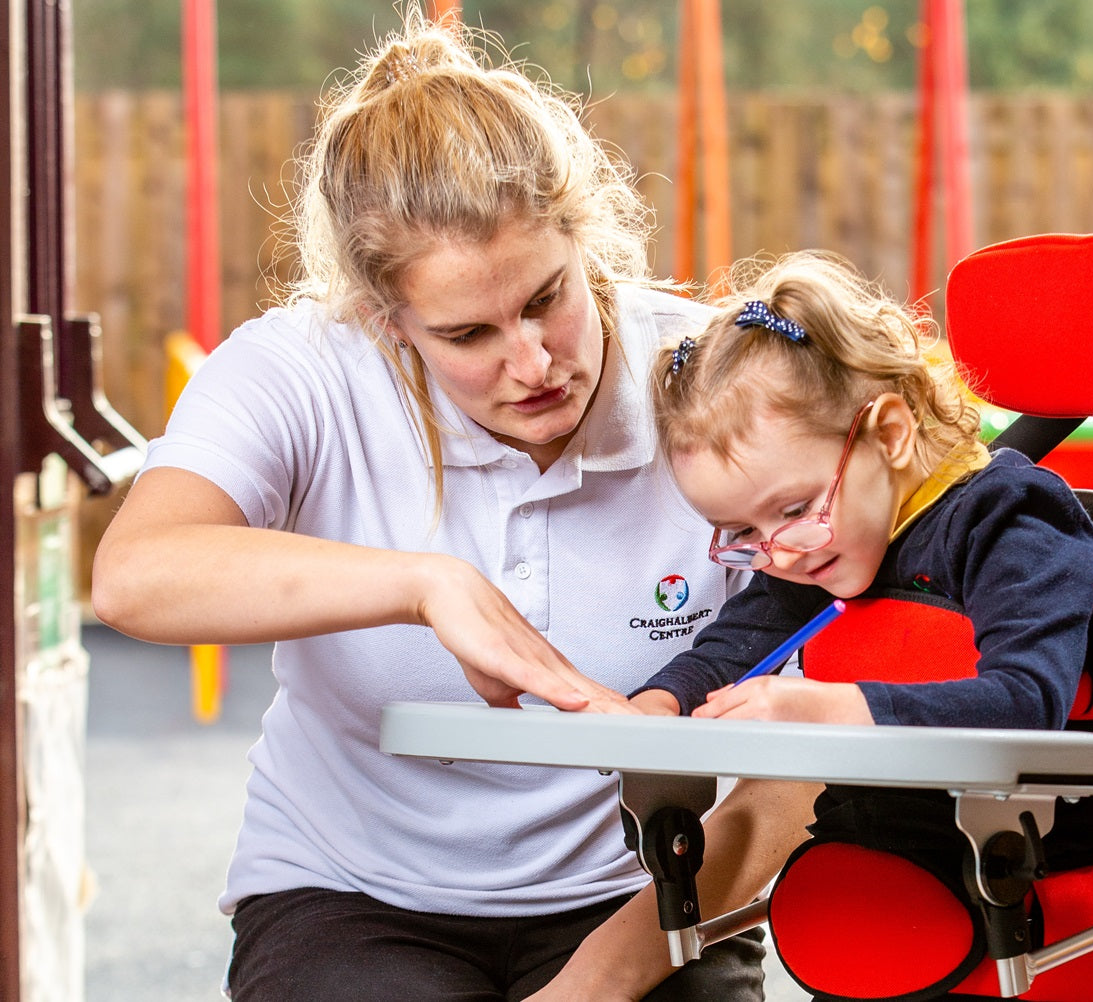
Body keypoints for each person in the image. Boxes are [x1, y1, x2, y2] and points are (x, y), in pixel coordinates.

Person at [89, 9, 815, 1001]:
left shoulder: (714, 385)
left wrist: (597, 983)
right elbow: (135, 578)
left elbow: (804, 766)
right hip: (351, 896)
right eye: (469, 333)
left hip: (650, 888)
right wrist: (425, 585)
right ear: (385, 321)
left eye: (547, 299)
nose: (533, 362)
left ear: (586, 240)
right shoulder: (301, 370)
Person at [629, 250, 1093, 728]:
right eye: (742, 532)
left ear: (889, 435)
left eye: (796, 507)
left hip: (1009, 807)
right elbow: (730, 652)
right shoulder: (814, 551)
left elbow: (1027, 701)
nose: (779, 557)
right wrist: (660, 701)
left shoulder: (1009, 519)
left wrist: (833, 708)